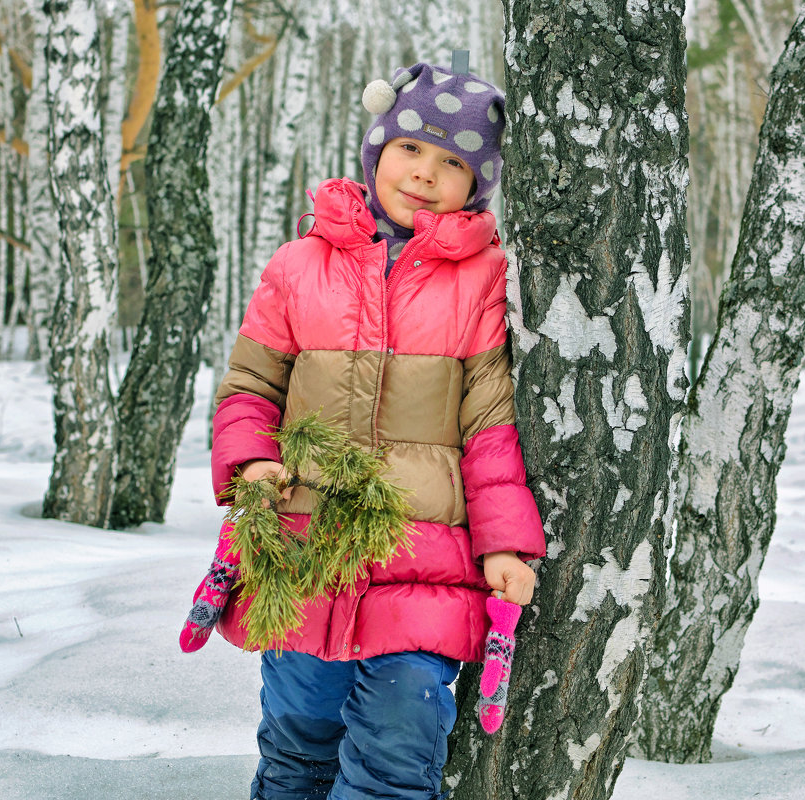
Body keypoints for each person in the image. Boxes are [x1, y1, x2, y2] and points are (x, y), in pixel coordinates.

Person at [200, 57, 545, 800]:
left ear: (476, 184)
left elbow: (489, 427)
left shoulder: (485, 278)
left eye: (453, 162)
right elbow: (251, 388)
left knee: (396, 748)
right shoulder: (299, 265)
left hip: (425, 561)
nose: (424, 172)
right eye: (411, 147)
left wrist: (507, 545)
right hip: (302, 549)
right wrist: (251, 463)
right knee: (297, 745)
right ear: (377, 149)